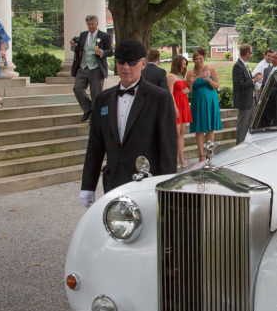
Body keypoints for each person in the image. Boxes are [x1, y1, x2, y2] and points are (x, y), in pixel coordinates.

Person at [79, 38, 177, 206]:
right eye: (121, 62)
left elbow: (168, 147)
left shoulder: (159, 98)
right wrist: (88, 185)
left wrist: (167, 189)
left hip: (147, 183)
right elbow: (95, 145)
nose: (125, 68)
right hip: (113, 183)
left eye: (132, 63)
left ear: (143, 64)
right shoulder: (103, 99)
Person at [71, 15, 113, 122]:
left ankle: (94, 118)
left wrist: (103, 52)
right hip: (83, 67)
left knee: (96, 94)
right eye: (89, 24)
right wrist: (73, 46)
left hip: (96, 68)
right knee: (77, 88)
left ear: (97, 24)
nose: (90, 26)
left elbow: (110, 51)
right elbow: (78, 50)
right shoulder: (83, 35)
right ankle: (89, 110)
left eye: (92, 24)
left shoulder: (104, 36)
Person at [187, 47, 222, 163]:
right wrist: (191, 84)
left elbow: (217, 86)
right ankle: (201, 156)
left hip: (211, 101)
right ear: (194, 60)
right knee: (199, 129)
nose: (198, 60)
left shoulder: (211, 70)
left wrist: (208, 80)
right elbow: (189, 90)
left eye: (200, 58)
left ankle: (209, 152)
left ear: (203, 58)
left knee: (210, 128)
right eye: (196, 59)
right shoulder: (190, 73)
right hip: (198, 102)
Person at [167, 53, 192, 168]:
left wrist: (187, 90)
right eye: (182, 64)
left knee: (182, 133)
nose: (184, 66)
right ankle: (173, 159)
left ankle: (181, 159)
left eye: (185, 64)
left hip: (184, 105)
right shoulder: (171, 76)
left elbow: (186, 88)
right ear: (177, 64)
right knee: (175, 134)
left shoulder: (182, 76)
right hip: (176, 105)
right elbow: (170, 93)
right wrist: (175, 108)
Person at [232, 43, 255, 144]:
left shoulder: (245, 65)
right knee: (242, 127)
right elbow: (239, 85)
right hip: (244, 101)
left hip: (250, 100)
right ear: (246, 53)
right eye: (251, 52)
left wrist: (253, 78)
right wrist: (254, 80)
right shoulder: (238, 66)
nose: (251, 55)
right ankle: (239, 146)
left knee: (250, 126)